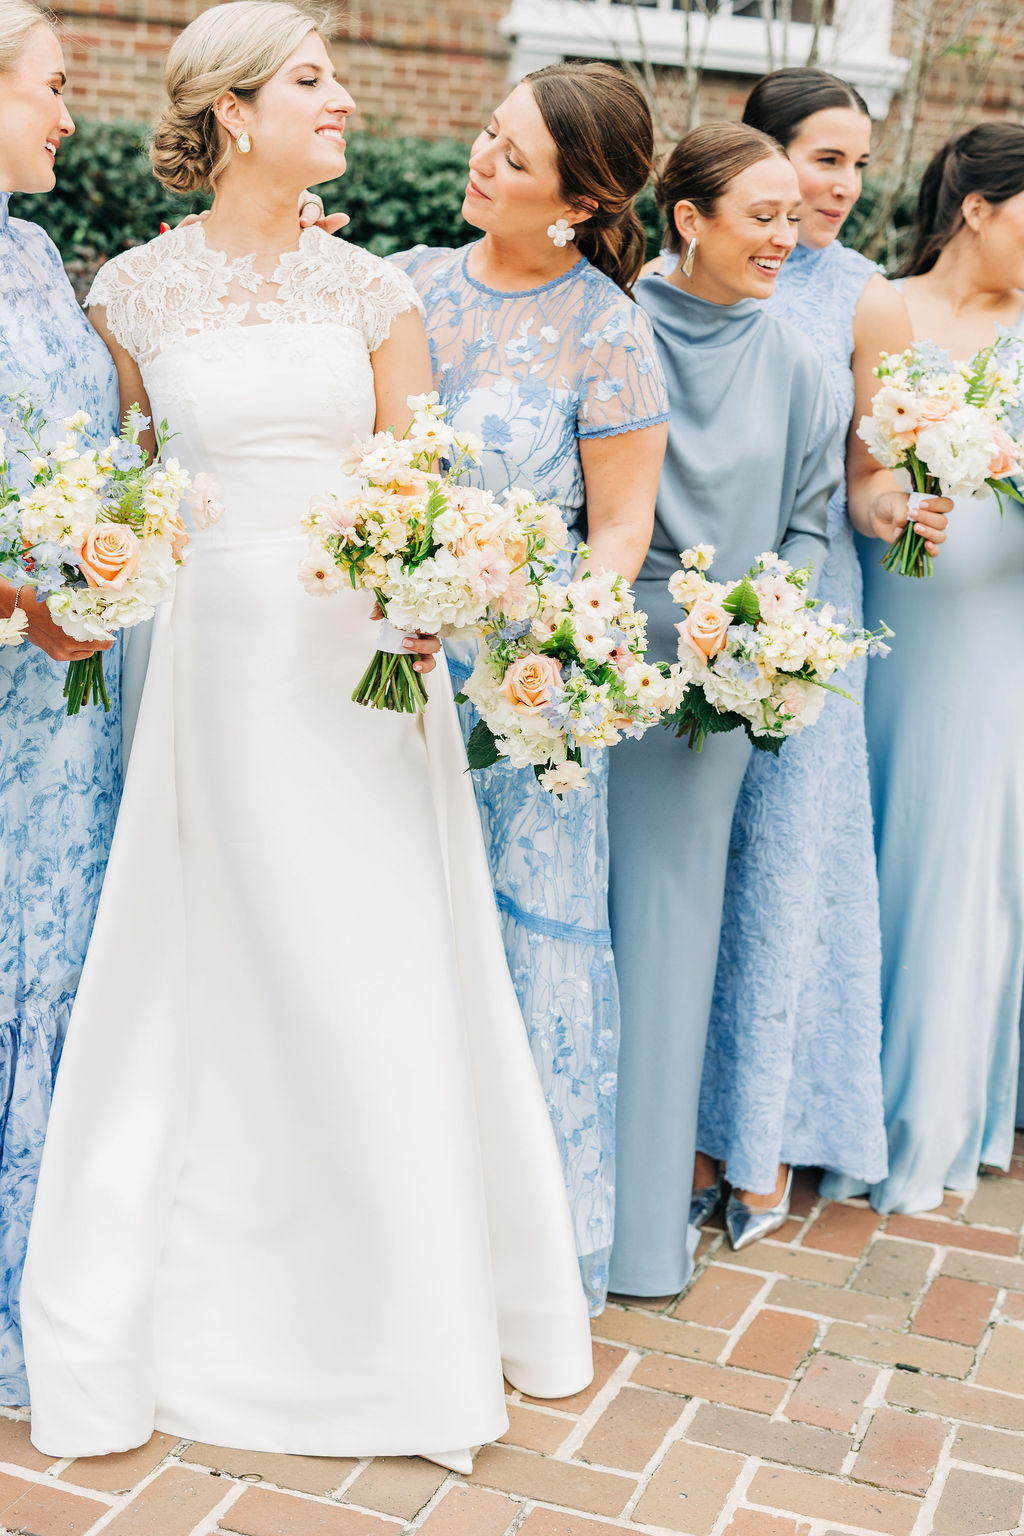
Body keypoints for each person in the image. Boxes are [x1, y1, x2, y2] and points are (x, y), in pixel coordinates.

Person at [20, 0, 592, 1461]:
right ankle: (213, 1301)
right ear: (231, 111)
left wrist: (437, 583)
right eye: (310, 79)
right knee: (221, 958)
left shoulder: (372, 291)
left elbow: (421, 477)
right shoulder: (130, 293)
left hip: (358, 665)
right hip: (208, 666)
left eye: (338, 75)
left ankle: (399, 1310)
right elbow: (125, 482)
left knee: (369, 959)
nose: (340, 100)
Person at [392, 63, 668, 1314]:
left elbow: (619, 531)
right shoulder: (406, 284)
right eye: (486, 135)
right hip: (401, 661)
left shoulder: (605, 327)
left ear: (578, 200)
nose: (481, 159)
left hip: (526, 680)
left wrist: (553, 654)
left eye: (512, 155)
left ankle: (521, 1266)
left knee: (521, 938)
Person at [695, 68, 950, 1246]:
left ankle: (760, 1146)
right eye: (822, 158)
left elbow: (865, 477)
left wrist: (901, 506)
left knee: (785, 874)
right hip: (690, 600)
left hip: (808, 612)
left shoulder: (866, 299)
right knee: (690, 869)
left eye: (856, 165)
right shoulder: (676, 276)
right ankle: (681, 1134)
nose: (842, 186)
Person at [607, 122, 841, 1300]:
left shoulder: (800, 362)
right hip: (589, 665)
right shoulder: (613, 329)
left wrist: (759, 622)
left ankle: (638, 1236)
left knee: (666, 938)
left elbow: (807, 522)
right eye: (763, 216)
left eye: (794, 217)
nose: (785, 238)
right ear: (687, 220)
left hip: (712, 689)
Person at [823, 122, 1024, 1213]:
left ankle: (928, 1115)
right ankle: (840, 1098)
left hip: (993, 640)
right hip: (889, 616)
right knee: (871, 847)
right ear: (978, 208)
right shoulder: (881, 307)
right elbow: (855, 477)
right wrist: (888, 503)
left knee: (957, 857)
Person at [0, 0, 122, 1405]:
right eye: (53, 86)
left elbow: (101, 432)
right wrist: (20, 602)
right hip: (17, 654)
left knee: (56, 957)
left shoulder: (33, 253)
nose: (70, 114)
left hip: (67, 697)